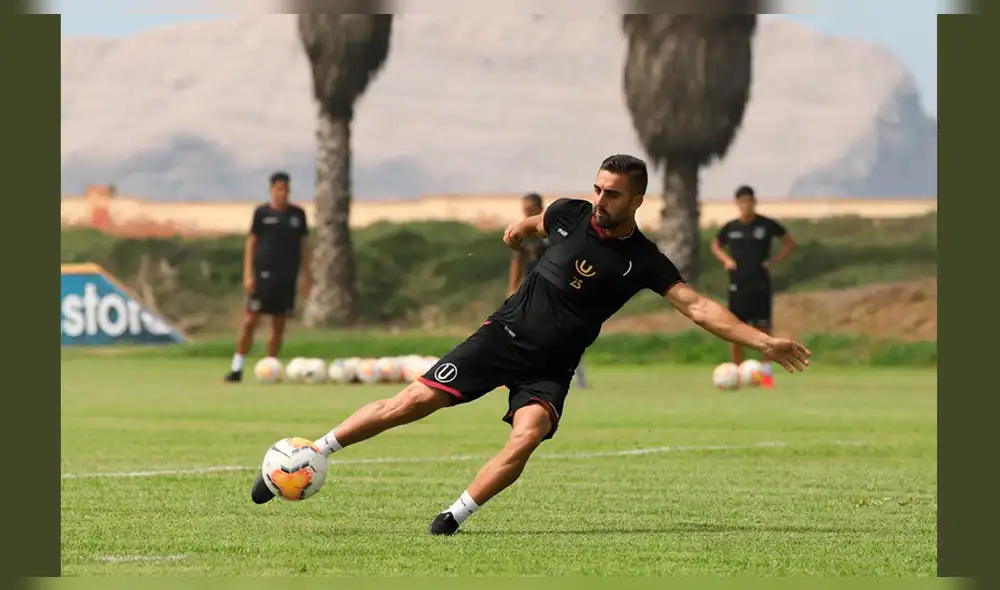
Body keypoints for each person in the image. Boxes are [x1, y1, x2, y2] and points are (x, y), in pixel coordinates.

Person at [248, 155, 811, 535]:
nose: (599, 200)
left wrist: (762, 341)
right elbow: (538, 222)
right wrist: (519, 228)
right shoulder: (570, 213)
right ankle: (314, 452)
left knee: (530, 433)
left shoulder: (644, 261)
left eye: (612, 194)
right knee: (411, 403)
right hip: (501, 338)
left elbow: (697, 305)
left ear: (637, 199)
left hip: (552, 366)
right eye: (596, 188)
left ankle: (454, 517)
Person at [223, 172, 311, 383]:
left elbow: (304, 247)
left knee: (278, 323)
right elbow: (251, 243)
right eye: (278, 189)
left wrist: (307, 275)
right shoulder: (262, 213)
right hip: (263, 276)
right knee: (250, 320)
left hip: (287, 276)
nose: (282, 193)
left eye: (286, 189)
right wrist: (248, 274)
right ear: (272, 190)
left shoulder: (297, 215)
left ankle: (269, 367)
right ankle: (237, 368)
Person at [710, 185, 797, 387]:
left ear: (754, 202)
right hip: (737, 285)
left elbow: (789, 243)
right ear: (737, 204)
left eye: (748, 201)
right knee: (734, 330)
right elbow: (715, 245)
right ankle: (737, 374)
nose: (745, 205)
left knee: (764, 330)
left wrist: (774, 261)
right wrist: (726, 260)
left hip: (760, 283)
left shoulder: (766, 225)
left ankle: (766, 377)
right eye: (741, 202)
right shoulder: (731, 227)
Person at [507, 193, 588, 389]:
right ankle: (525, 375)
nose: (526, 213)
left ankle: (578, 377)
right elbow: (518, 260)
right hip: (532, 289)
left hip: (556, 289)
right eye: (524, 209)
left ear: (538, 207)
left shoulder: (552, 228)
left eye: (529, 209)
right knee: (525, 330)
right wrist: (512, 288)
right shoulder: (525, 232)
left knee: (564, 333)